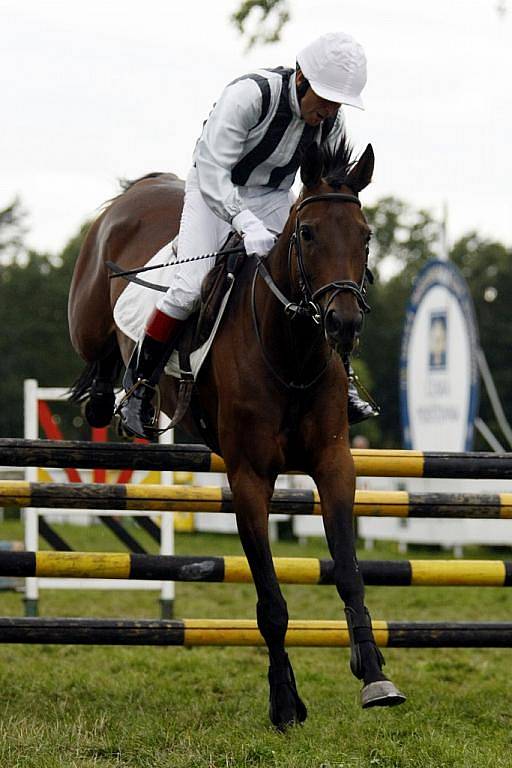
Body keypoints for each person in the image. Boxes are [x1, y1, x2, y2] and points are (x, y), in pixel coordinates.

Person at [120, 31, 378, 438]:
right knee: (189, 286)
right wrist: (242, 220)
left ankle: (340, 379)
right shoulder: (248, 96)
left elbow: (322, 187)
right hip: (212, 189)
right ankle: (139, 387)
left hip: (275, 197)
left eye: (336, 103)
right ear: (300, 79)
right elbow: (212, 170)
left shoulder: (329, 119)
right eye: (325, 99)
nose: (329, 111)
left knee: (309, 279)